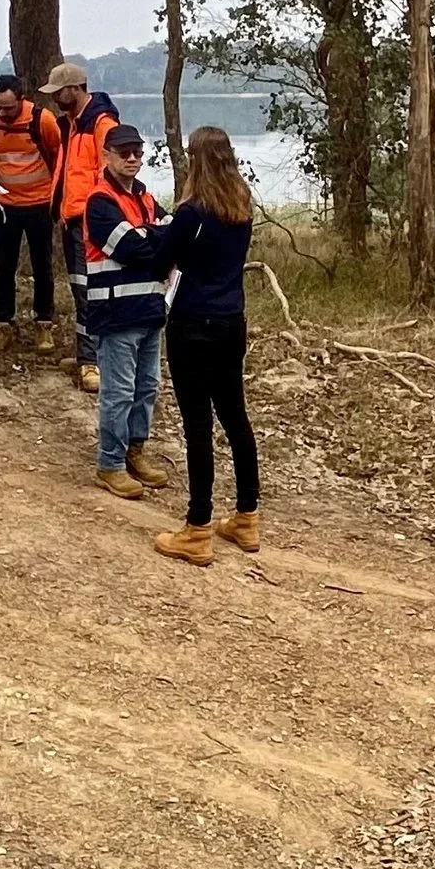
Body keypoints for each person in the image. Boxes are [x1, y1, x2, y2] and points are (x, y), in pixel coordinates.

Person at [153, 127, 262, 566]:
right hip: (231, 321)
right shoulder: (241, 205)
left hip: (192, 323)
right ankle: (246, 516)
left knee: (197, 424)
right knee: (235, 417)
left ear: (195, 160)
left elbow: (163, 260)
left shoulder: (191, 214)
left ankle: (198, 528)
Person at [83, 122, 172, 497]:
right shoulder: (99, 202)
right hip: (116, 313)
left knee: (146, 388)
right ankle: (110, 463)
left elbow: (174, 234)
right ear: (107, 155)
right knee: (118, 392)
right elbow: (134, 249)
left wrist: (151, 235)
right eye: (124, 152)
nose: (133, 158)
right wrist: (155, 237)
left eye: (137, 151)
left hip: (150, 310)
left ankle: (135, 450)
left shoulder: (146, 198)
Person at [0, 75, 65, 355]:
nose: (3, 113)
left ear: (22, 99)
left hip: (39, 204)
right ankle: (3, 323)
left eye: (8, 108)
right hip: (4, 206)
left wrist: (58, 200)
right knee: (4, 268)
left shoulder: (42, 120)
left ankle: (44, 323)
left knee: (42, 266)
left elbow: (59, 159)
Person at [48, 61, 120, 394]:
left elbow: (110, 174)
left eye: (58, 92)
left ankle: (91, 360)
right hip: (72, 219)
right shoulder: (73, 124)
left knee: (89, 290)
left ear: (75, 89)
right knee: (80, 289)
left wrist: (93, 216)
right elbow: (70, 173)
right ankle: (86, 353)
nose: (55, 99)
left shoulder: (101, 124)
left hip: (89, 223)